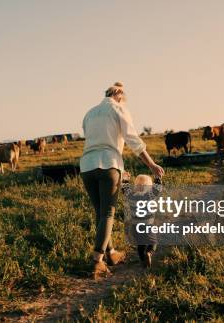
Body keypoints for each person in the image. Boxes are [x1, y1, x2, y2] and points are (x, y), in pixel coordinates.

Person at [80, 81, 165, 279]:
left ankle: (110, 253)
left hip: (86, 166)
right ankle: (96, 261)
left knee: (100, 212)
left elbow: (89, 137)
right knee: (108, 212)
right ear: (120, 97)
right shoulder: (118, 109)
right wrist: (151, 165)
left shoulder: (89, 113)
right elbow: (133, 139)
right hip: (108, 163)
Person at [121, 173, 163, 268]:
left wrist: (125, 179)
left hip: (135, 227)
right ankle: (149, 253)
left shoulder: (131, 196)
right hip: (148, 225)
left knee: (140, 244)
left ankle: (142, 260)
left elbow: (125, 189)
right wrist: (157, 177)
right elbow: (158, 188)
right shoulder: (150, 196)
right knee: (153, 242)